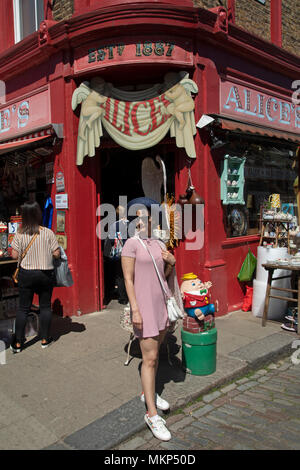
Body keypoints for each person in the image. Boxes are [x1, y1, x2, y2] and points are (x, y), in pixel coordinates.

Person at [121, 203, 176, 442]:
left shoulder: (159, 244)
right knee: (150, 358)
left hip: (161, 305)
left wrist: (171, 263)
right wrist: (135, 309)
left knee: (157, 353)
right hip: (143, 307)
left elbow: (161, 277)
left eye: (145, 219)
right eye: (137, 219)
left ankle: (148, 392)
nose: (141, 222)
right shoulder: (131, 244)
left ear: (153, 221)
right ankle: (151, 414)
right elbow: (128, 279)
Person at [10, 201, 60, 353]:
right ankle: (45, 339)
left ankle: (18, 343)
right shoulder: (48, 232)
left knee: (23, 308)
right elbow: (57, 253)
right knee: (45, 307)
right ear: (38, 214)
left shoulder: (20, 233)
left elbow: (14, 254)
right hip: (45, 274)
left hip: (26, 274)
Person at [104, 205, 128, 304]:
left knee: (120, 275)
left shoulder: (114, 225)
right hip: (131, 251)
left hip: (119, 253)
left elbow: (110, 239)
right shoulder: (131, 224)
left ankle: (123, 298)